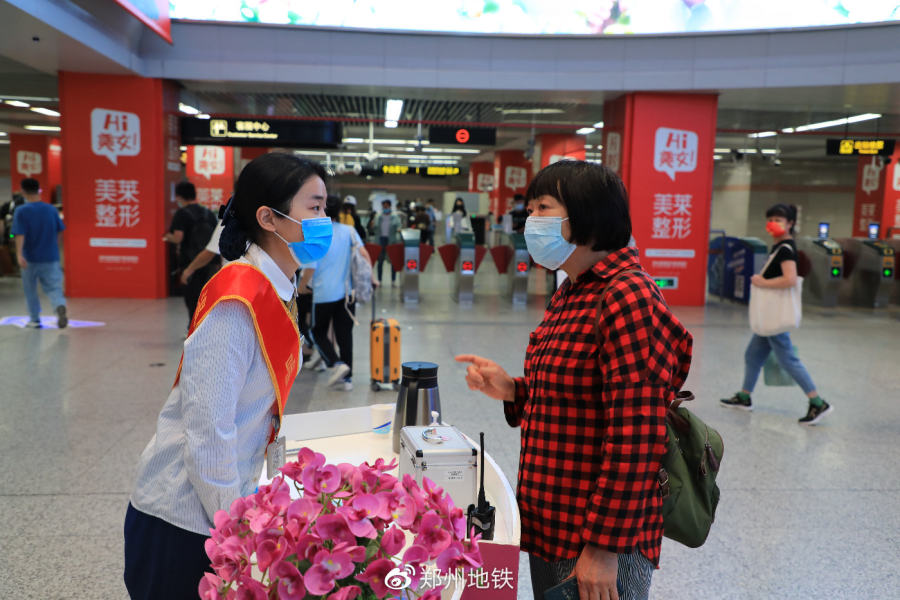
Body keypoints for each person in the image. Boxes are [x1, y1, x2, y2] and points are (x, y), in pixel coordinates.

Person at [456, 160, 692, 600]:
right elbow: (580, 398)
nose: (531, 221)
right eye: (530, 209)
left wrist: (604, 549)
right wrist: (513, 390)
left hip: (594, 536)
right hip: (554, 520)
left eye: (543, 207)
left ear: (587, 214)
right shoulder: (576, 288)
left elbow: (638, 434)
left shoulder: (628, 296)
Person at [125, 153, 331, 599]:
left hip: (223, 508)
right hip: (184, 519)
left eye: (325, 208)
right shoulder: (238, 300)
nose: (324, 221)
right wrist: (237, 530)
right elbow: (208, 431)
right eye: (313, 208)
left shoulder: (279, 287)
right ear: (268, 218)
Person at [721, 203, 832, 425]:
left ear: (790, 224)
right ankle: (744, 396)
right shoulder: (780, 247)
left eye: (779, 220)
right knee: (753, 354)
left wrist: (762, 282)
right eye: (771, 219)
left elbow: (790, 279)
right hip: (769, 317)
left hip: (775, 317)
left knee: (788, 359)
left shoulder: (786, 249)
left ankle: (817, 402)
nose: (773, 223)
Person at [300, 195, 371, 391]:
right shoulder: (349, 231)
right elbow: (364, 255)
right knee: (344, 335)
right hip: (348, 293)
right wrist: (371, 279)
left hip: (323, 293)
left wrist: (300, 287)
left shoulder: (316, 232)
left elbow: (311, 267)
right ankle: (347, 379)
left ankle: (335, 364)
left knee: (316, 331)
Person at [11, 178, 68, 329]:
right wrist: (54, 245)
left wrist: (19, 254)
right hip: (51, 256)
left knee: (30, 289)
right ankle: (59, 306)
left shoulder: (21, 211)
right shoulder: (51, 209)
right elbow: (60, 230)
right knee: (54, 287)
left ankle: (34, 319)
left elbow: (19, 234)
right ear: (39, 190)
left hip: (30, 258)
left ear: (23, 191)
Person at [163, 181, 219, 322]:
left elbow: (178, 238)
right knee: (208, 298)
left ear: (180, 197)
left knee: (192, 299)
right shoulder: (208, 213)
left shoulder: (181, 214)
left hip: (191, 262)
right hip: (211, 262)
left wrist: (166, 236)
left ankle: (193, 329)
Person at [370, 198, 401, 286]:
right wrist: (372, 224)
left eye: (386, 206)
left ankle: (393, 280)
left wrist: (398, 230)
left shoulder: (395, 217)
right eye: (384, 206)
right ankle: (379, 279)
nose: (385, 207)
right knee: (380, 261)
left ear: (390, 206)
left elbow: (399, 226)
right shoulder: (378, 216)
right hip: (380, 240)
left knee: (392, 261)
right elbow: (373, 227)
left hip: (391, 240)